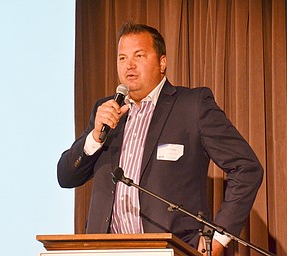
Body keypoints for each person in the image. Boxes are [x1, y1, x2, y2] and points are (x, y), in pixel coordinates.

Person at [57, 22, 263, 255]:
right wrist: (94, 137)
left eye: (139, 55)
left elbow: (246, 168)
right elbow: (66, 176)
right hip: (106, 249)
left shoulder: (192, 106)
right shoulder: (107, 112)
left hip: (171, 249)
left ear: (162, 63)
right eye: (122, 58)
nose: (129, 66)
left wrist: (218, 239)